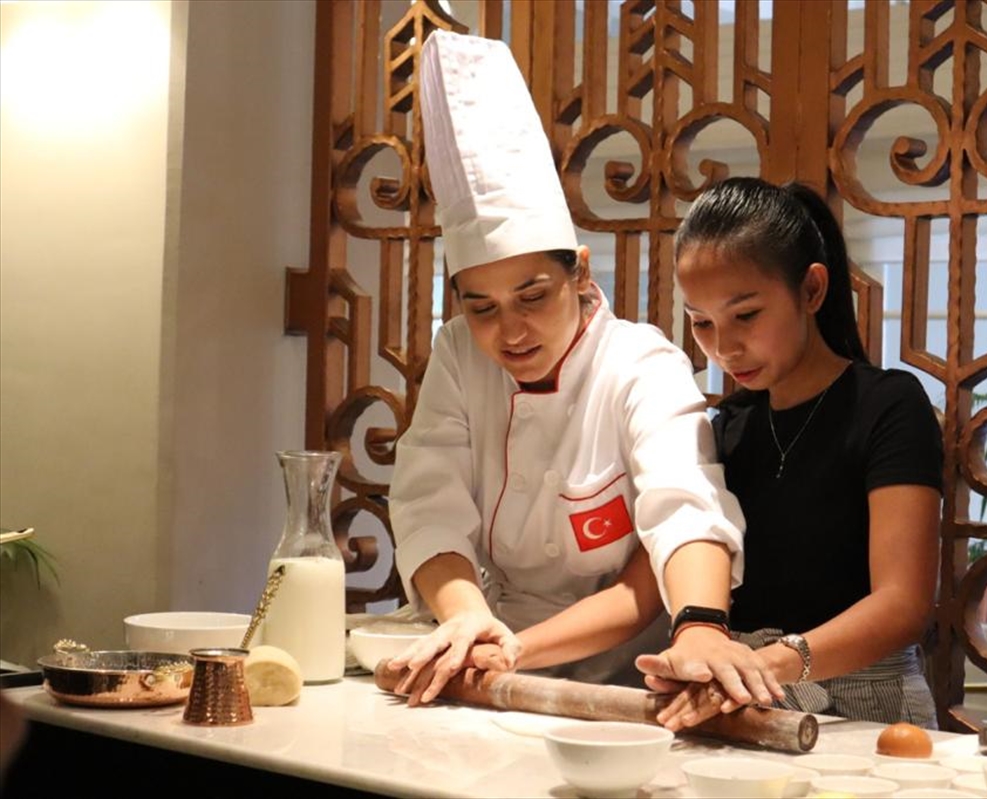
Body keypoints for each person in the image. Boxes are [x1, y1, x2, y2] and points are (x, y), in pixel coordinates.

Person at [385, 31, 782, 710]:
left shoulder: (640, 364)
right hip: (480, 671)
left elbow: (683, 505)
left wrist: (701, 626)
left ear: (579, 273)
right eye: (482, 308)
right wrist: (467, 617)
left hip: (618, 689)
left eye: (533, 296)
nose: (510, 330)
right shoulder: (458, 354)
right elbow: (429, 506)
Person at [637, 177, 943, 729]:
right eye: (702, 323)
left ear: (812, 290)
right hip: (748, 701)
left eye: (746, 315)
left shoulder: (888, 405)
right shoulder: (725, 426)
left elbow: (903, 605)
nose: (724, 347)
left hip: (866, 704)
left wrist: (767, 665)